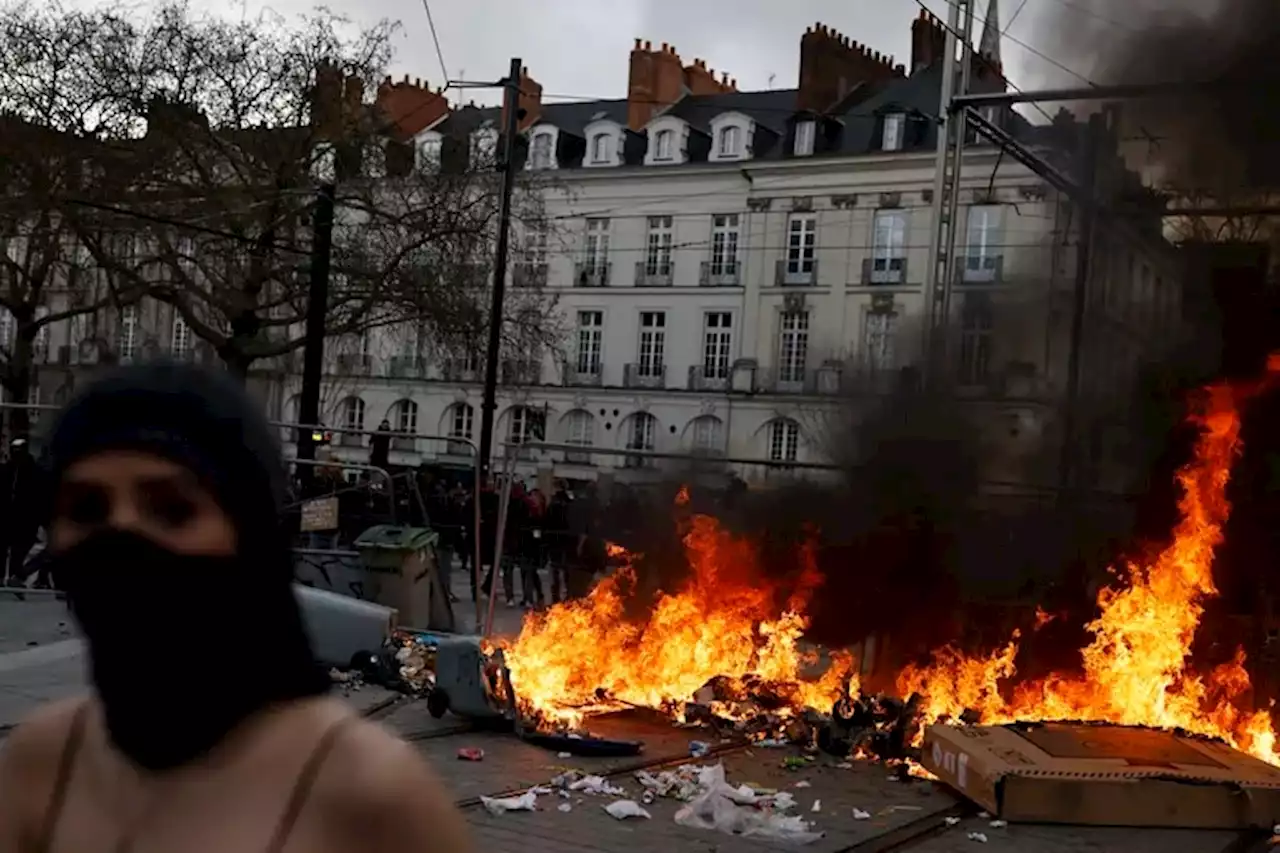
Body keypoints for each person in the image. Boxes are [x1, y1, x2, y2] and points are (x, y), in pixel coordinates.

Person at [0, 361, 473, 853]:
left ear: (248, 532)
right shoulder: (42, 760)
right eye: (86, 509)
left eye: (171, 508)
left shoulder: (372, 795)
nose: (121, 533)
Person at [0, 438, 46, 587]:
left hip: (24, 517)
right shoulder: (9, 469)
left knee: (18, 548)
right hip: (13, 516)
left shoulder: (32, 471)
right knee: (10, 547)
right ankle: (12, 577)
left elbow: (39, 495)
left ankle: (16, 576)